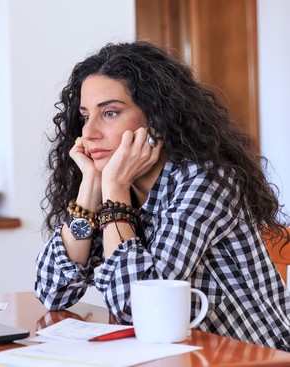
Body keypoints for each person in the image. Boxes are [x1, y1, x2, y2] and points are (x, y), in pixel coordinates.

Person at [35, 41, 290, 351]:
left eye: (111, 113)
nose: (89, 133)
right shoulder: (118, 182)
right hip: (177, 355)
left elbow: (137, 306)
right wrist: (91, 184)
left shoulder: (206, 180)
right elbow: (53, 291)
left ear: (156, 118)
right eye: (86, 116)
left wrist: (113, 192)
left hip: (256, 355)